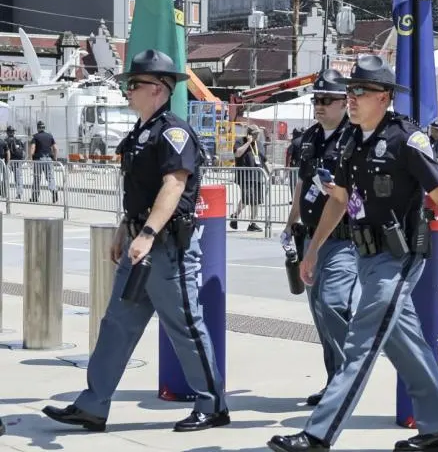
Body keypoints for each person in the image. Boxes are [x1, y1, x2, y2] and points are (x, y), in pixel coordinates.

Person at [268, 55, 438, 452]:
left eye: (361, 91)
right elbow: (339, 200)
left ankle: (318, 434)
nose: (353, 98)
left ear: (385, 97)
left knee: (361, 343)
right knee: (406, 344)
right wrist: (314, 250)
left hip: (398, 258)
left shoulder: (406, 140)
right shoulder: (350, 140)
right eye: (350, 90)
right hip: (366, 256)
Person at [43, 50, 228, 433]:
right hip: (140, 245)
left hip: (166, 248)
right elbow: (139, 193)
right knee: (117, 324)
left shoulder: (173, 133)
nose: (128, 91)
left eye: (135, 84)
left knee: (186, 326)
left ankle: (213, 405)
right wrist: (124, 228)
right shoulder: (142, 133)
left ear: (158, 89)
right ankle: (93, 406)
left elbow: (174, 185)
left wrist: (145, 234)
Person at [282, 70, 358, 407]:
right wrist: (288, 225)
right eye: (316, 99)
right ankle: (334, 380)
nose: (319, 105)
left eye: (327, 100)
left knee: (333, 305)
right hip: (312, 236)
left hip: (344, 237)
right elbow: (302, 183)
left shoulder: (355, 138)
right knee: (318, 311)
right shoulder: (310, 138)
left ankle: (347, 379)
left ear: (344, 102)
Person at [231, 125, 266, 232]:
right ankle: (235, 215)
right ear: (249, 134)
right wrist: (248, 142)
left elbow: (264, 160)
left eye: (258, 134)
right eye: (255, 134)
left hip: (257, 175)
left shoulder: (259, 145)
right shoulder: (240, 141)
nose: (257, 136)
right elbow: (237, 154)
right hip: (245, 176)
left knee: (256, 201)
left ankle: (252, 223)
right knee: (247, 198)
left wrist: (270, 173)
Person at [29, 120, 57, 203]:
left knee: (37, 178)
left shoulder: (35, 137)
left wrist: (30, 158)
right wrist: (55, 158)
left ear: (38, 128)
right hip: (48, 159)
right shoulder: (50, 136)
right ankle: (53, 190)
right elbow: (55, 148)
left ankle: (34, 197)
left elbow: (33, 148)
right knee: (50, 177)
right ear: (44, 127)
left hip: (38, 160)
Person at [4, 126, 24, 199]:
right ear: (13, 132)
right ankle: (19, 193)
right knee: (18, 178)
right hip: (18, 162)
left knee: (5, 178)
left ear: (7, 132)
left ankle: (4, 193)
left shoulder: (5, 141)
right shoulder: (18, 140)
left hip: (8, 162)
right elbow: (23, 151)